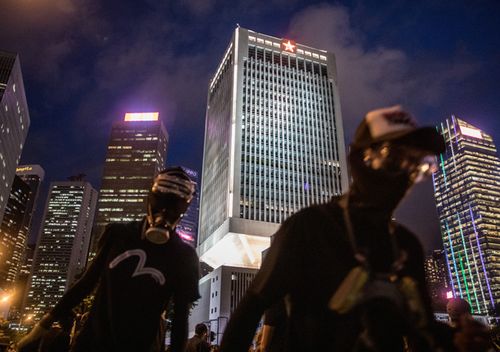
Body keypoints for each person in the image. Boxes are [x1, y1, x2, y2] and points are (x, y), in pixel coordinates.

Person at [220, 106, 462, 351]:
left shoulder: (406, 245)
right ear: (360, 160)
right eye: (395, 159)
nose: (405, 175)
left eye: (417, 166)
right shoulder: (310, 227)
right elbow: (251, 308)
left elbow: (422, 330)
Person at [17, 167, 200, 352]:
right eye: (160, 203)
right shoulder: (118, 234)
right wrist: (42, 326)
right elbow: (86, 283)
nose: (164, 213)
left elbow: (180, 319)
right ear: (150, 200)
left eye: (172, 208)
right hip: (91, 344)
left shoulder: (184, 256)